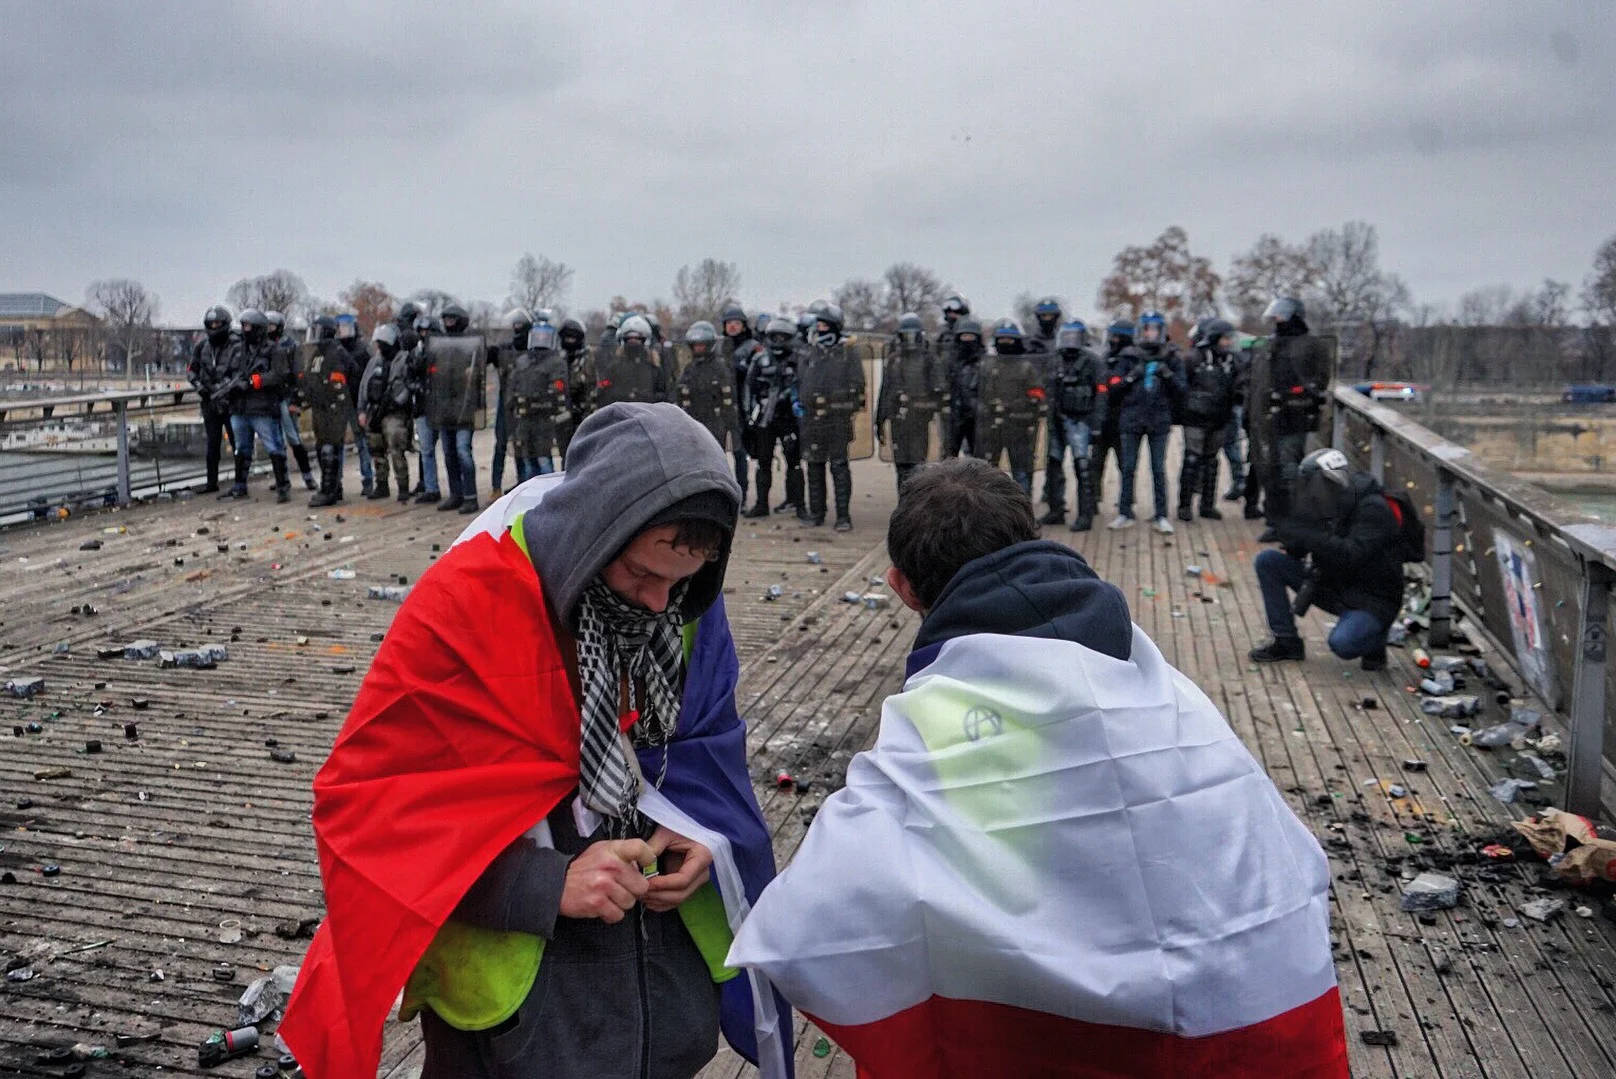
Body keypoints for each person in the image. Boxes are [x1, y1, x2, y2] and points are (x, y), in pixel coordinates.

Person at [727, 457, 1347, 1079]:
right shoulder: (1167, 689)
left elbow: (822, 912)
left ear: (902, 587)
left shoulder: (932, 718)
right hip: (1249, 1018)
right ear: (1034, 542)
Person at [279, 403, 790, 1079]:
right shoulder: (464, 608)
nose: (663, 604)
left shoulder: (681, 598)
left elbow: (706, 751)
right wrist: (545, 884)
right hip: (516, 1020)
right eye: (642, 577)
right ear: (594, 535)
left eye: (684, 579)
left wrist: (708, 840)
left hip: (658, 1001)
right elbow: (368, 815)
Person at [1249, 448, 1404, 671]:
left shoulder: (1372, 509)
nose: (1310, 492)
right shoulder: (1326, 505)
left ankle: (1375, 638)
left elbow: (1351, 554)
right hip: (1333, 585)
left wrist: (1310, 536)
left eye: (1313, 485)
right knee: (1268, 561)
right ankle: (1286, 641)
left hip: (1372, 599)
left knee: (1342, 645)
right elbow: (1307, 545)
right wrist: (1293, 536)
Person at [1249, 297, 1332, 541]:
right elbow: (1259, 381)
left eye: (1281, 317)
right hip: (1268, 417)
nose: (1276, 321)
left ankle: (1293, 524)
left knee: (1289, 470)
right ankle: (1275, 521)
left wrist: (1303, 394)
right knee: (1270, 470)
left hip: (1296, 416)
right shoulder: (1270, 346)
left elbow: (1320, 380)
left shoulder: (1312, 345)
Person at [1111, 310, 1182, 534]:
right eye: (1146, 329)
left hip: (1159, 420)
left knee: (1158, 469)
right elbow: (1114, 388)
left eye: (1154, 330)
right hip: (1131, 419)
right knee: (1128, 467)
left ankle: (1161, 515)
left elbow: (1182, 390)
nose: (1150, 334)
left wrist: (1168, 376)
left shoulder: (1171, 356)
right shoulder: (1128, 355)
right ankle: (1125, 512)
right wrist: (1132, 376)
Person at [797, 303, 866, 531]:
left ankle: (843, 516)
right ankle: (817, 513)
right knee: (814, 466)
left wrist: (837, 402)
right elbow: (800, 382)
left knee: (839, 466)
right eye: (818, 325)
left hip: (837, 420)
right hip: (812, 420)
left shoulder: (847, 353)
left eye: (825, 325)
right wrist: (799, 401)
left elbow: (858, 388)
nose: (820, 329)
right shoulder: (810, 351)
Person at [219, 309, 293, 503]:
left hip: (263, 407)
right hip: (240, 406)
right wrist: (228, 386)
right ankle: (239, 485)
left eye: (248, 326)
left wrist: (253, 382)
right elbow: (227, 371)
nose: (245, 330)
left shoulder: (274, 350)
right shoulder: (237, 349)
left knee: (273, 446)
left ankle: (283, 486)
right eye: (243, 326)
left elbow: (279, 375)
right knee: (241, 448)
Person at [1176, 318, 1241, 522]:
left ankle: (1207, 505)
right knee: (1192, 460)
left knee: (1212, 463)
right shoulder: (1193, 359)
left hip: (1220, 418)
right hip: (1195, 419)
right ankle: (1184, 506)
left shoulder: (1231, 362)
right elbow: (1181, 388)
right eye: (1224, 339)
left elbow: (1238, 387)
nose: (1228, 343)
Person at [423, 303, 485, 514]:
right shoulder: (439, 345)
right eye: (446, 319)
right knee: (449, 453)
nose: (449, 323)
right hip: (444, 408)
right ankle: (456, 494)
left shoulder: (471, 345)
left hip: (465, 408)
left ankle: (470, 496)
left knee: (462, 451)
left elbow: (477, 374)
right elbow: (431, 372)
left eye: (452, 319)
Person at [741, 317, 805, 520]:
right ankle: (761, 504)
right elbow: (748, 387)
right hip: (764, 420)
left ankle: (799, 504)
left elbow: (804, 386)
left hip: (788, 419)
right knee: (763, 462)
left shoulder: (797, 360)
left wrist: (793, 401)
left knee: (794, 462)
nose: (777, 342)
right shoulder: (760, 360)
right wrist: (749, 414)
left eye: (782, 337)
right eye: (774, 337)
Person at [975, 319, 1043, 496]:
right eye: (1002, 339)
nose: (1005, 343)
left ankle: (1023, 514)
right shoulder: (987, 365)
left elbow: (1037, 398)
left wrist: (1010, 406)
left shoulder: (1026, 368)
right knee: (987, 473)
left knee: (1021, 473)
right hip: (991, 428)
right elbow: (978, 393)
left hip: (1018, 428)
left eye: (1009, 340)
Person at [1045, 319, 1102, 531]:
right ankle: (1055, 510)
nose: (1069, 342)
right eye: (1065, 336)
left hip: (1081, 421)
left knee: (1083, 469)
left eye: (1073, 337)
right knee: (1053, 466)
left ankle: (1085, 515)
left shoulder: (1093, 362)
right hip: (1057, 419)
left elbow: (1101, 395)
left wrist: (1096, 424)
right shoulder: (1054, 360)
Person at [876, 312, 942, 493]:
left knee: (918, 467)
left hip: (919, 420)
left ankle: (917, 507)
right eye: (906, 335)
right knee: (901, 467)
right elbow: (885, 390)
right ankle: (904, 505)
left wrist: (922, 406)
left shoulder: (929, 359)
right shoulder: (893, 359)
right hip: (898, 420)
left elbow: (938, 393)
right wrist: (879, 420)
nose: (910, 339)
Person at [299, 315, 358, 508]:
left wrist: (335, 397)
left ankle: (329, 490)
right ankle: (333, 487)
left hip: (333, 407)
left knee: (329, 448)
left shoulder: (336, 352)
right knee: (321, 446)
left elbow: (343, 377)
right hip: (319, 407)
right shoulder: (317, 353)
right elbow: (310, 378)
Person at [503, 320, 571, 482]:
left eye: (544, 337)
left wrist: (538, 399)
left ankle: (550, 496)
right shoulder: (522, 361)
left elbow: (559, 389)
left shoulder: (556, 362)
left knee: (544, 460)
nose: (541, 340)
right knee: (528, 461)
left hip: (545, 421)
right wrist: (512, 410)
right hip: (524, 420)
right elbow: (512, 388)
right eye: (537, 337)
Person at [677, 321, 743, 479]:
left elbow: (729, 398)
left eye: (702, 345)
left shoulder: (720, 367)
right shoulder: (690, 369)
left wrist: (731, 427)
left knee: (719, 465)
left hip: (717, 423)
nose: (698, 349)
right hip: (695, 423)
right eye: (695, 346)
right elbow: (680, 394)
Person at [358, 323, 413, 501]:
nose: (380, 347)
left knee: (396, 445)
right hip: (375, 410)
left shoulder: (404, 360)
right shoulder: (375, 361)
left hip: (395, 412)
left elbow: (408, 385)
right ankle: (381, 485)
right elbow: (364, 385)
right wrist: (362, 410)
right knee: (376, 448)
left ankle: (403, 486)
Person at [186, 304, 236, 494]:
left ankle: (241, 481)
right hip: (209, 402)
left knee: (236, 442)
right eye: (211, 323)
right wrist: (199, 386)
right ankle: (211, 482)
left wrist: (224, 388)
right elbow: (191, 370)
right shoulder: (202, 346)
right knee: (212, 443)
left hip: (230, 401)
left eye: (218, 323)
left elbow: (239, 370)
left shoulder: (235, 344)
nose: (214, 327)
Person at [266, 310, 318, 491]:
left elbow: (298, 373)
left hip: (287, 396)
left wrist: (297, 398)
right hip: (271, 398)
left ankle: (307, 476)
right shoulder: (264, 347)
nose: (268, 330)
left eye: (271, 326)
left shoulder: (290, 346)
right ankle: (282, 477)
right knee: (275, 440)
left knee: (293, 437)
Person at [719, 304, 762, 503]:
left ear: (743, 325)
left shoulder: (753, 347)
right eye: (729, 323)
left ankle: (742, 496)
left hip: (744, 406)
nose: (733, 327)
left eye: (736, 323)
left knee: (740, 452)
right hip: (721, 407)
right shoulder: (719, 347)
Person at [488, 308, 531, 496]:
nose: (517, 329)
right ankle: (495, 486)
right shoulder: (504, 350)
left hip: (523, 403)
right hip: (504, 402)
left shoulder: (533, 350)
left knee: (520, 444)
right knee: (500, 444)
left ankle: (522, 483)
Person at [1091, 319, 1133, 506]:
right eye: (1112, 336)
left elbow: (1118, 385)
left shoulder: (1131, 359)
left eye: (1117, 337)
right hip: (1103, 419)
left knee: (1125, 465)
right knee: (1096, 464)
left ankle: (1127, 498)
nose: (1113, 340)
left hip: (1123, 419)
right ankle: (1093, 497)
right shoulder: (1105, 357)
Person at [336, 314, 376, 497]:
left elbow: (370, 376)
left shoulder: (363, 350)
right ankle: (336, 481)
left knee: (362, 442)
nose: (344, 333)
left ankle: (368, 479)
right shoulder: (335, 350)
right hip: (340, 400)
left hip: (357, 400)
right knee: (337, 442)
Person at [596, 315, 672, 408]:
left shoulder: (654, 366)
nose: (633, 342)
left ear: (644, 340)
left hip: (648, 413)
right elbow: (604, 389)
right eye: (629, 339)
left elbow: (664, 392)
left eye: (637, 339)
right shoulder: (615, 366)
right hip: (622, 413)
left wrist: (648, 398)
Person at [410, 312, 443, 505]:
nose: (424, 334)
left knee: (453, 450)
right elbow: (409, 376)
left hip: (443, 406)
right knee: (426, 449)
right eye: (421, 331)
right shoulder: (416, 352)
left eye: (428, 330)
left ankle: (461, 489)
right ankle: (431, 488)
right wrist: (415, 386)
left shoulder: (445, 351)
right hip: (423, 406)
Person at [943, 317, 984, 458]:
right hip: (954, 414)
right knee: (948, 456)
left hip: (977, 415)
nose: (967, 340)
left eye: (971, 336)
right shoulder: (950, 361)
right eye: (964, 336)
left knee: (978, 457)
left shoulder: (984, 362)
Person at [558, 316, 596, 460]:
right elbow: (557, 384)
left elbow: (592, 384)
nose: (570, 341)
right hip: (563, 414)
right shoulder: (559, 360)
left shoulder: (588, 358)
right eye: (567, 338)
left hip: (584, 412)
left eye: (573, 338)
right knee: (566, 455)